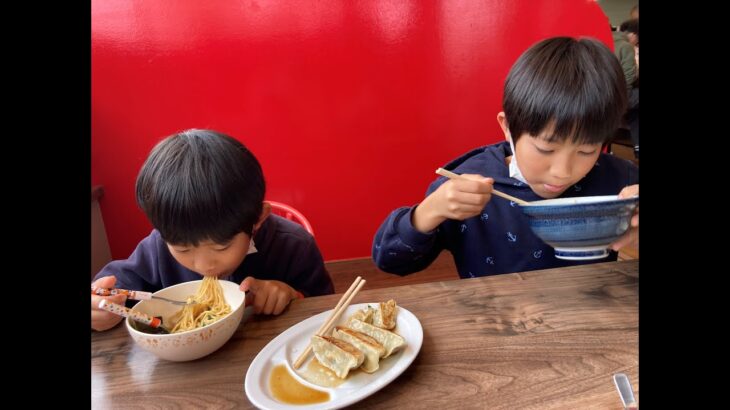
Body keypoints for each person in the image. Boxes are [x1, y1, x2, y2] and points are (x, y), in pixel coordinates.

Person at [372, 37, 639, 278]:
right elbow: (390, 261)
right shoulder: (468, 182)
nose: (562, 171)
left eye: (586, 151)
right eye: (545, 149)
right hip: (493, 322)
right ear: (508, 127)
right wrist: (429, 211)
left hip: (592, 321)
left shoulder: (621, 180)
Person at [92, 129, 334, 331]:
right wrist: (103, 305)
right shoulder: (158, 248)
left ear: (257, 220)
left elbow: (327, 307)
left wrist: (293, 296)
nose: (205, 265)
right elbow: (118, 284)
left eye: (222, 246)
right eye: (183, 249)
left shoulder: (293, 246)